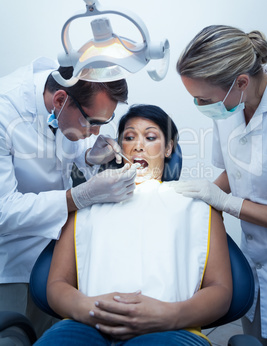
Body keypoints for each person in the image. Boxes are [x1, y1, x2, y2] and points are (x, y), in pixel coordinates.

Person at [34, 104, 232, 346]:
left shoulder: (198, 204)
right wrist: (88, 308)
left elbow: (220, 290)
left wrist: (170, 315)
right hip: (86, 325)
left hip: (173, 329)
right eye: (129, 137)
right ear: (118, 149)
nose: (138, 146)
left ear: (168, 148)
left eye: (150, 137)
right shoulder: (87, 202)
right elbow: (57, 284)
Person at [0, 57, 137, 339]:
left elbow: (64, 138)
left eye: (105, 121)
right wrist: (79, 196)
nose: (97, 131)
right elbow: (3, 211)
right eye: (93, 121)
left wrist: (87, 153)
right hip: (9, 260)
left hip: (56, 259)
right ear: (60, 100)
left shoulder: (65, 83)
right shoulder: (5, 113)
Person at [173, 25, 267, 345]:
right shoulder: (228, 107)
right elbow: (235, 172)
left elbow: (231, 195)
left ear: (241, 82)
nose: (202, 106)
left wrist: (225, 203)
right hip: (255, 255)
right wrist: (201, 199)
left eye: (204, 99)